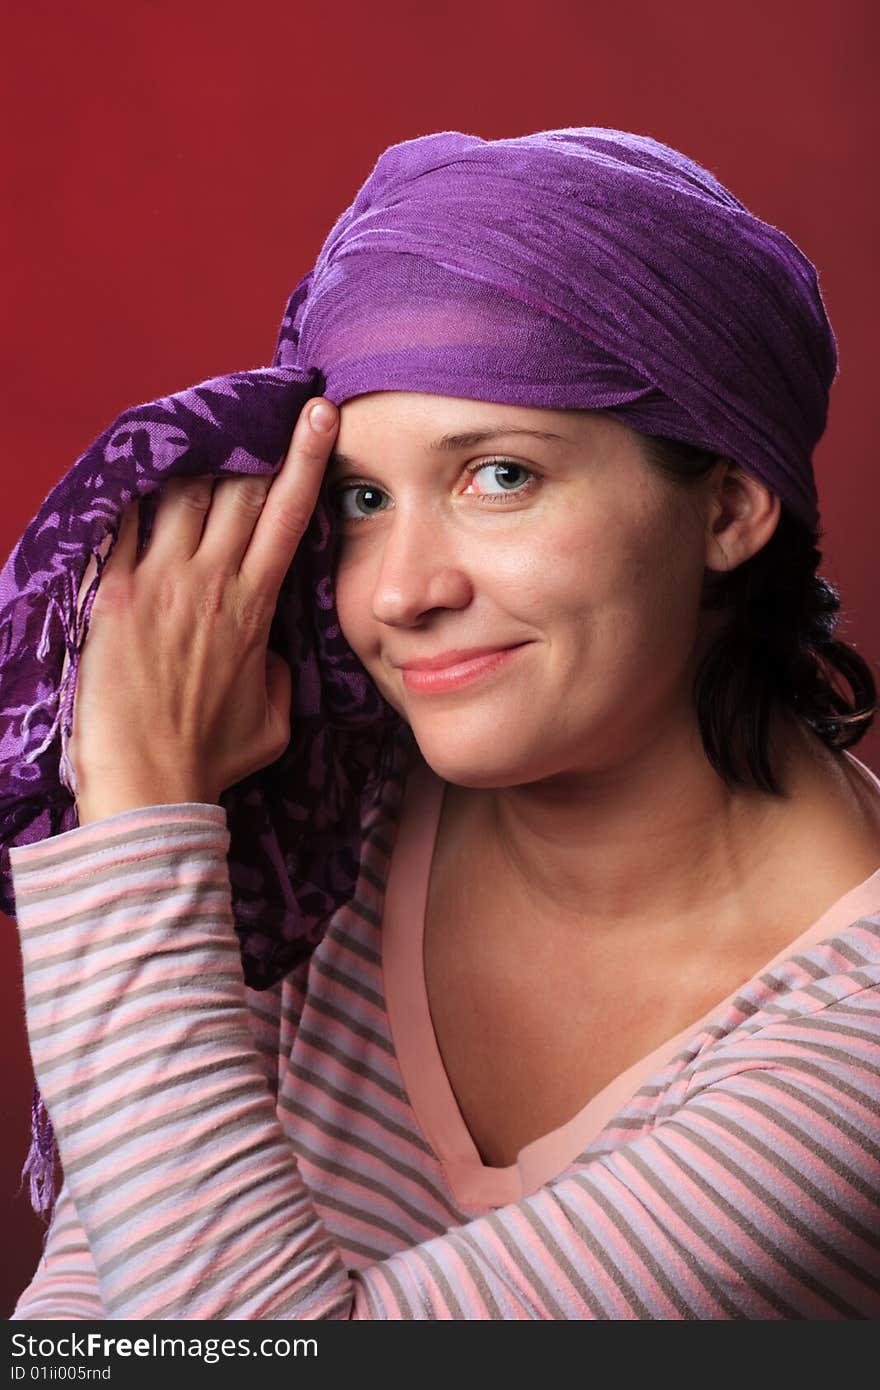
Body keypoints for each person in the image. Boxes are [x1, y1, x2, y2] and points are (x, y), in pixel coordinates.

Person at [5, 128, 880, 1319]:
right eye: (363, 499)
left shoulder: (854, 1041)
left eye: (499, 475)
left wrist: (140, 809)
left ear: (727, 506)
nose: (399, 591)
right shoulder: (321, 818)